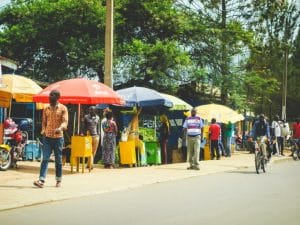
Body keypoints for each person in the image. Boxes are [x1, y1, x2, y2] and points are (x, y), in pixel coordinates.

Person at [34, 90, 68, 188]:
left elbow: (65, 122)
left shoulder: (63, 108)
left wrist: (60, 128)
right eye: (49, 95)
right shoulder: (46, 108)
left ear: (57, 97)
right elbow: (44, 122)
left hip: (58, 138)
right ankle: (41, 180)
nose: (50, 97)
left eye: (52, 95)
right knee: (45, 159)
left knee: (58, 160)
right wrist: (43, 130)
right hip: (47, 138)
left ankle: (58, 180)